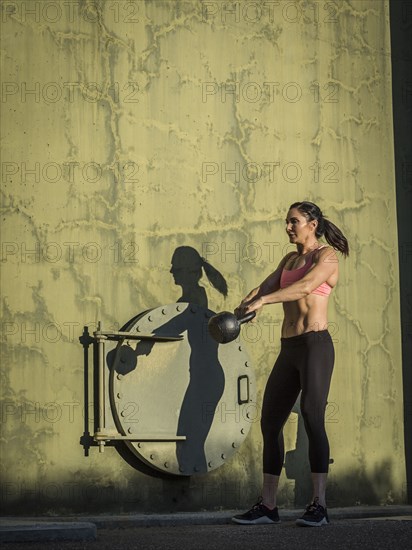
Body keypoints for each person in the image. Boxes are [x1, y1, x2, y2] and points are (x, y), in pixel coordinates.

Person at [231, 201, 349, 527]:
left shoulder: (325, 258)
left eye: (293, 221)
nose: (288, 227)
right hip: (289, 348)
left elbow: (306, 287)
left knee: (312, 416)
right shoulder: (289, 259)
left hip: (315, 346)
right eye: (286, 222)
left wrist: (265, 302)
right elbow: (267, 285)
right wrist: (243, 307)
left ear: (312, 224)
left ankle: (319, 504)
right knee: (270, 422)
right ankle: (268, 505)